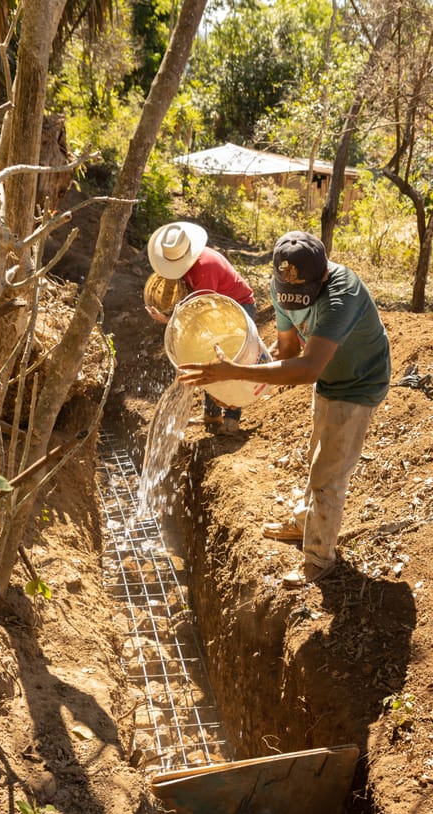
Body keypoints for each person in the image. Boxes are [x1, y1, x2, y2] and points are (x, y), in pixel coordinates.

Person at [177, 230, 390, 587]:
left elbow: (307, 369)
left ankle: (319, 559)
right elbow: (288, 351)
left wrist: (235, 372)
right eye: (286, 293)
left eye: (302, 296)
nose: (293, 302)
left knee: (329, 475)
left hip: (359, 382)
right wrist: (235, 385)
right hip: (329, 378)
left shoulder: (342, 295)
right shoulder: (282, 288)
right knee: (317, 455)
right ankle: (304, 522)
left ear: (323, 274)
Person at [145, 221, 256, 435]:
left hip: (238, 308)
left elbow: (200, 315)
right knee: (207, 357)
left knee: (228, 360)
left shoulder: (205, 268)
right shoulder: (189, 265)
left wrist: (167, 320)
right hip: (216, 307)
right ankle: (212, 414)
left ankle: (231, 419)